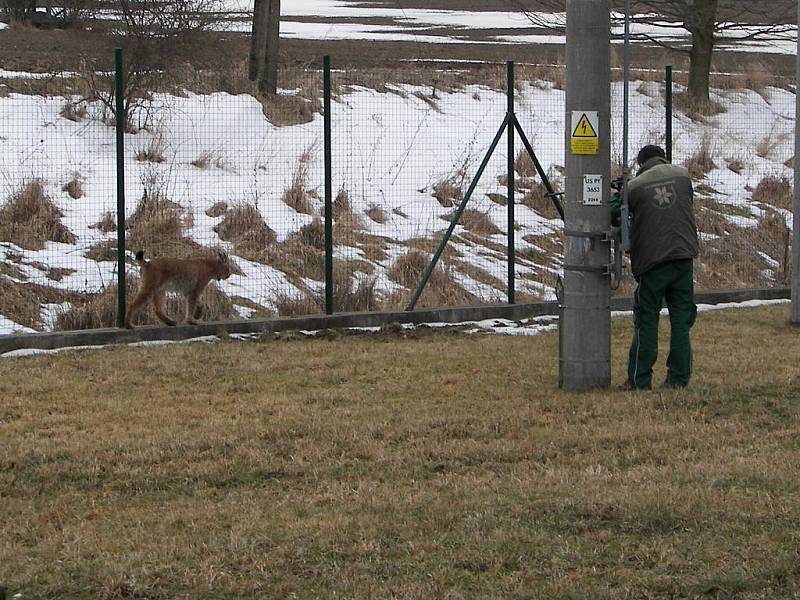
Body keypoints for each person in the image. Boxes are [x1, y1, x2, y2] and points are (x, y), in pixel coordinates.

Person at [611, 144, 699, 390]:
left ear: (641, 163)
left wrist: (621, 194)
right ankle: (678, 378)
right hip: (683, 257)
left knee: (647, 318)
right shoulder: (683, 175)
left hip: (654, 261)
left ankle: (639, 379)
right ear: (663, 158)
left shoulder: (635, 187)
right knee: (682, 319)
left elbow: (615, 214)